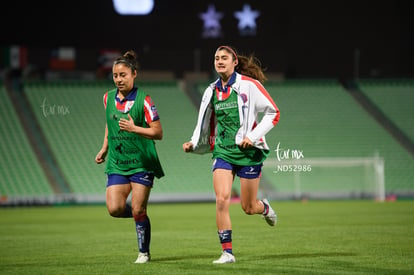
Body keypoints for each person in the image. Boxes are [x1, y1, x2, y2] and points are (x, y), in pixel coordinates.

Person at [182, 45, 280, 264]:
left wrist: (252, 137)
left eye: (224, 58)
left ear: (235, 62)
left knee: (248, 207)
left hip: (248, 153)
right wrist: (193, 142)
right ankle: (227, 252)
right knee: (221, 199)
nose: (219, 61)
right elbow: (203, 122)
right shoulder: (211, 90)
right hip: (223, 152)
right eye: (216, 58)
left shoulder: (250, 85)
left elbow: (273, 112)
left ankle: (263, 207)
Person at [95, 50, 164, 264]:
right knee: (114, 209)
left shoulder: (145, 100)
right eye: (115, 75)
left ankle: (144, 252)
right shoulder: (107, 98)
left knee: (137, 207)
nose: (118, 79)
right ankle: (140, 216)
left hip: (142, 162)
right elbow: (110, 123)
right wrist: (104, 147)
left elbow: (158, 132)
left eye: (123, 75)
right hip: (117, 162)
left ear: (134, 74)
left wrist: (135, 129)